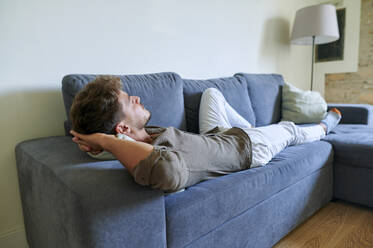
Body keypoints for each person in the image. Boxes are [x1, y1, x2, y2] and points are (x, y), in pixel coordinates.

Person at [70, 76, 341, 192]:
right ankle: (325, 125)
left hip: (218, 134)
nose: (138, 98)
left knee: (212, 94)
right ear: (122, 129)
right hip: (248, 148)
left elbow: (112, 145)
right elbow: (167, 172)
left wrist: (99, 142)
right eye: (131, 101)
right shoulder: (155, 161)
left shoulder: (136, 138)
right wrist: (105, 140)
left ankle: (255, 128)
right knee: (288, 129)